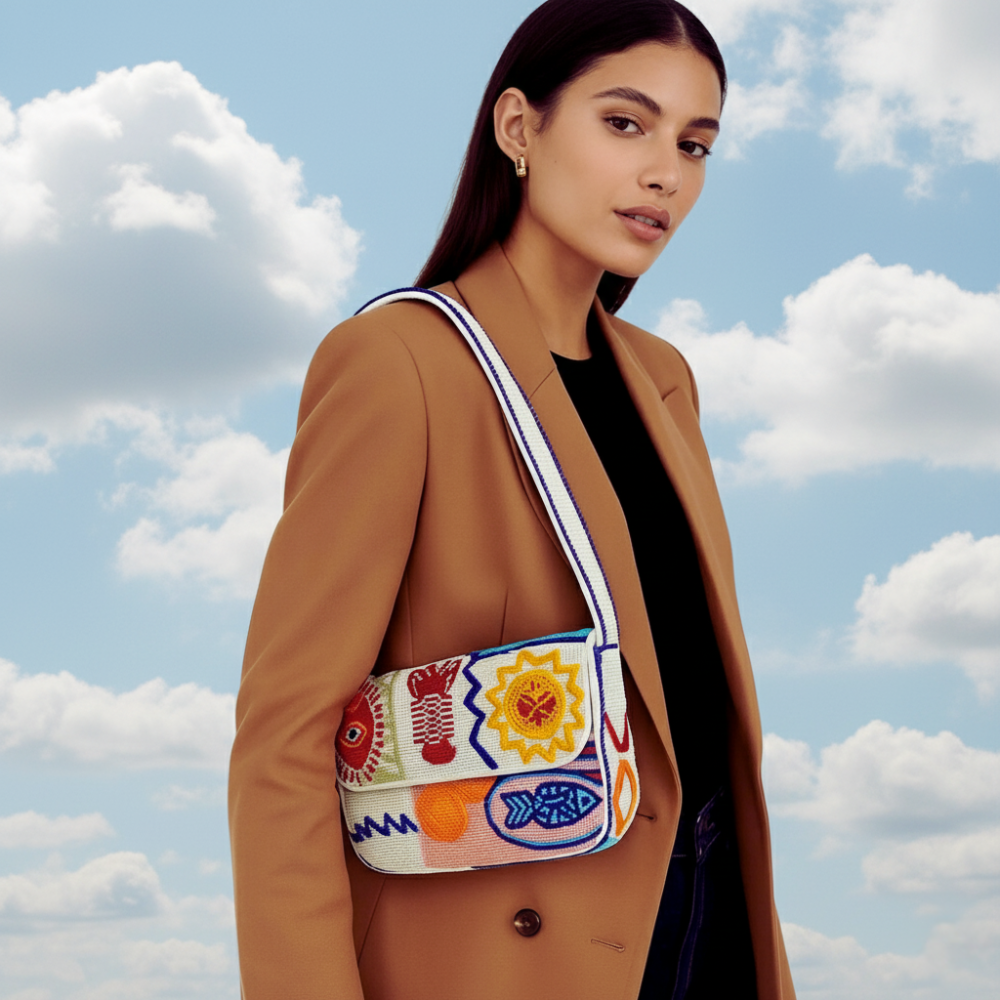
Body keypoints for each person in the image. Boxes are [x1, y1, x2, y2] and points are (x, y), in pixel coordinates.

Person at [228, 1, 796, 997]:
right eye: (625, 124)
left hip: (702, 912)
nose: (666, 172)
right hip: (503, 950)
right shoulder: (400, 362)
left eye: (695, 143)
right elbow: (283, 740)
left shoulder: (663, 382)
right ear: (519, 129)